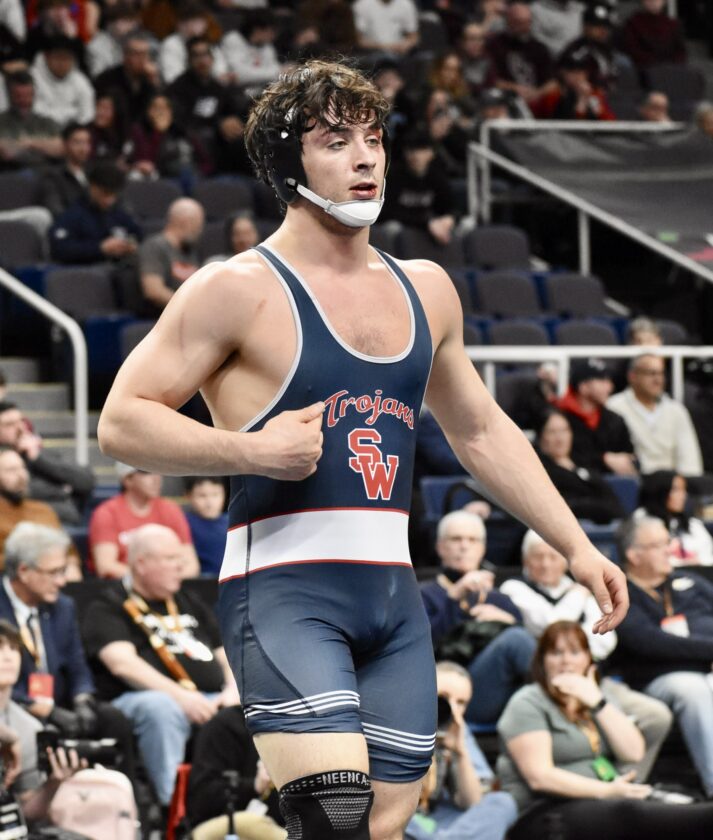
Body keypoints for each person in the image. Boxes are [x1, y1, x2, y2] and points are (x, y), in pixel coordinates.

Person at [97, 59, 628, 840]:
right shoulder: (236, 288)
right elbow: (120, 423)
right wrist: (250, 451)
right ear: (288, 166)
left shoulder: (426, 288)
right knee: (333, 815)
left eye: (373, 138)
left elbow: (480, 430)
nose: (365, 158)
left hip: (392, 599)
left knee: (384, 822)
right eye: (336, 141)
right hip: (284, 592)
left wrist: (575, 546)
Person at [497, 620, 713, 840]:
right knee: (632, 814)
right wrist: (607, 791)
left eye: (575, 652)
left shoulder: (595, 698)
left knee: (673, 803)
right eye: (556, 653)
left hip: (601, 801)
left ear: (588, 659)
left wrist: (597, 702)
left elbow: (633, 752)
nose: (566, 661)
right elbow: (540, 777)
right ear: (542, 660)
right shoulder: (528, 702)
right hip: (544, 810)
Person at [82, 524, 239, 807]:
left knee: (248, 703)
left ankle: (244, 800)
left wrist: (232, 689)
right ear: (141, 564)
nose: (180, 566)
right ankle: (174, 810)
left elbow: (224, 652)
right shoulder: (109, 604)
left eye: (180, 558)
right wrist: (181, 697)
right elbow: (123, 665)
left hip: (210, 697)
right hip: (141, 699)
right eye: (170, 559)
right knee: (161, 708)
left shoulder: (187, 601)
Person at [501, 530, 672, 781]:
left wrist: (574, 653)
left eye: (553, 556)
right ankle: (596, 784)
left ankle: (625, 783)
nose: (546, 564)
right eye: (538, 557)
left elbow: (605, 640)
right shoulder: (516, 587)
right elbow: (553, 625)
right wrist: (577, 601)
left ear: (565, 562)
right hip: (545, 683)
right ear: (526, 561)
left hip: (594, 680)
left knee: (656, 716)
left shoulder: (580, 591)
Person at [0, 523, 136, 782]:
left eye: (63, 571)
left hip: (58, 701)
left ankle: (126, 796)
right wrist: (43, 710)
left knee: (111, 719)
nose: (62, 581)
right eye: (54, 572)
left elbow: (77, 665)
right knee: (39, 727)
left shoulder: (63, 607)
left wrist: (82, 699)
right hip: (13, 705)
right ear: (24, 571)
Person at [610, 516, 713, 798]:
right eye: (658, 545)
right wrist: (707, 649)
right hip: (657, 679)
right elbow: (650, 643)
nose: (670, 550)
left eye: (668, 542)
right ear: (634, 555)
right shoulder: (621, 593)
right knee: (691, 688)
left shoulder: (690, 581)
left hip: (705, 668)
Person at [420, 511, 534, 727]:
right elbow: (422, 649)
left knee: (520, 638)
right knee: (515, 639)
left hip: (501, 691)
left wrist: (509, 622)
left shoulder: (500, 600)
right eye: (456, 539)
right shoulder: (423, 595)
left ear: (482, 549)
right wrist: (453, 598)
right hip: (447, 694)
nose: (464, 546)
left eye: (472, 540)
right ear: (440, 547)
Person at [405, 660, 517, 840]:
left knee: (503, 803)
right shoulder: (399, 721)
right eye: (443, 698)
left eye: (461, 703)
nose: (452, 708)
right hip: (403, 817)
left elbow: (473, 803)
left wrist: (460, 752)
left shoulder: (458, 730)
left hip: (441, 822)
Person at [0, 619, 86, 826]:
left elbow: (25, 813)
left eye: (13, 648)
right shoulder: (16, 733)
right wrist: (8, 736)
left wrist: (53, 784)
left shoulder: (29, 728)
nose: (8, 656)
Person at [186, 705, 284, 837]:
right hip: (219, 825)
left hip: (281, 826)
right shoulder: (226, 725)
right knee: (250, 824)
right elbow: (201, 800)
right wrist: (255, 785)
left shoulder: (301, 730)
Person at [88, 461, 198, 578]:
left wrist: (163, 579)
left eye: (158, 471)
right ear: (128, 480)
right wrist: (151, 579)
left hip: (166, 583)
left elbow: (191, 565)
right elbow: (106, 566)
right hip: (124, 586)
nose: (156, 478)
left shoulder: (171, 510)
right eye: (147, 472)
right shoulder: (107, 513)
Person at [607, 354, 705, 479]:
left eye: (661, 373)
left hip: (673, 483)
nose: (658, 380)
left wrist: (686, 484)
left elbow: (690, 459)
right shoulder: (614, 407)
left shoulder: (676, 410)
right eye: (651, 373)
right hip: (634, 480)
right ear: (632, 376)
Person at [167, 35, 250, 177]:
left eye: (205, 54)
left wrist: (233, 120)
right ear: (189, 60)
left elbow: (232, 109)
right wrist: (218, 124)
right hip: (194, 140)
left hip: (220, 139)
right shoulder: (177, 88)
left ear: (212, 58)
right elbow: (181, 122)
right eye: (196, 56)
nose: (202, 60)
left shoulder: (217, 87)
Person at [0, 402, 95, 526]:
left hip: (61, 523)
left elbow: (86, 481)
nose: (20, 428)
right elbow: (15, 494)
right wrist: (60, 490)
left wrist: (38, 458)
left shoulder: (41, 455)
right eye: (9, 424)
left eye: (21, 421)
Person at [535, 409, 626, 523]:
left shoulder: (584, 463)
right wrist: (601, 507)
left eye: (564, 430)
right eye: (552, 432)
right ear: (541, 436)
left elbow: (613, 500)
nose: (560, 438)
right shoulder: (542, 472)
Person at [0, 446, 79, 574]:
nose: (21, 475)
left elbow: (69, 552)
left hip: (53, 576)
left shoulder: (44, 510)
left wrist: (71, 567)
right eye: (11, 470)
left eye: (23, 468)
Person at [48, 160, 142, 265]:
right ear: (92, 188)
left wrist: (131, 245)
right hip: (86, 269)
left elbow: (139, 235)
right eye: (105, 193)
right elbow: (60, 249)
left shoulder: (119, 213)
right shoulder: (74, 215)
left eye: (114, 194)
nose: (109, 201)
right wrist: (99, 248)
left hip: (120, 267)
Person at [555, 358, 637, 476]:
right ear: (583, 386)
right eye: (602, 380)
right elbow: (560, 458)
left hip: (614, 483)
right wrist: (605, 459)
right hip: (572, 481)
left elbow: (630, 456)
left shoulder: (614, 419)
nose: (610, 386)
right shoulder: (560, 419)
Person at [381, 129, 456, 245]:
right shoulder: (394, 176)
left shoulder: (438, 176)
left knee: (465, 225)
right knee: (392, 227)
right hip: (404, 228)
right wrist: (427, 223)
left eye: (422, 150)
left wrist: (448, 219)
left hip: (432, 227)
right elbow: (387, 212)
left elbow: (449, 207)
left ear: (431, 153)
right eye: (411, 150)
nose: (416, 155)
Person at [137, 197, 205, 316]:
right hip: (161, 319)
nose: (199, 231)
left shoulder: (189, 250)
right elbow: (154, 291)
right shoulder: (155, 246)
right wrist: (190, 308)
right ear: (185, 221)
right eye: (198, 226)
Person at [635, 471, 713, 566]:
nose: (684, 496)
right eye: (676, 490)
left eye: (684, 490)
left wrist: (698, 560)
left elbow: (708, 553)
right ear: (660, 492)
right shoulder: (641, 522)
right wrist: (684, 562)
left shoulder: (691, 523)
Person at [486, 2, 556, 105]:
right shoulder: (495, 45)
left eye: (528, 22)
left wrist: (537, 93)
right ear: (509, 21)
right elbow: (491, 79)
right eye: (519, 22)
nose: (525, 27)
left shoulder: (539, 48)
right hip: (506, 99)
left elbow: (552, 82)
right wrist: (514, 88)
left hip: (537, 99)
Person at [0, 69, 63, 171]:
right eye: (18, 96)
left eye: (28, 95)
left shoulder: (46, 122)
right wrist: (44, 145)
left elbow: (60, 148)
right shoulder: (1, 122)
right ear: (9, 95)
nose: (24, 101)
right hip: (9, 174)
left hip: (46, 174)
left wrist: (30, 143)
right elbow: (6, 152)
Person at [94, 33, 158, 129]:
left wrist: (153, 82)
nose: (142, 59)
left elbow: (156, 111)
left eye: (145, 54)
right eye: (137, 54)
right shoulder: (107, 79)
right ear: (125, 56)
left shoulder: (149, 78)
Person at [30, 36, 94, 127]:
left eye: (67, 58)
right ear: (46, 57)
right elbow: (33, 112)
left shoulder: (81, 80)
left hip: (72, 132)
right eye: (58, 57)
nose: (62, 63)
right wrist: (72, 113)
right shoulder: (32, 78)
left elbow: (88, 115)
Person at [531, 52, 615, 120]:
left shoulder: (594, 94)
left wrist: (586, 98)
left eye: (581, 71)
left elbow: (609, 122)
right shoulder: (554, 94)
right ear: (563, 72)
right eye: (573, 71)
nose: (577, 76)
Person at [38, 121, 91, 218]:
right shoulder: (52, 177)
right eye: (78, 142)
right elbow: (56, 210)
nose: (84, 148)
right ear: (65, 145)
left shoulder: (93, 173)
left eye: (87, 142)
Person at [221, 9, 282, 93]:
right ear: (257, 30)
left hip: (261, 94)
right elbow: (239, 75)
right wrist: (275, 72)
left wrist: (276, 72)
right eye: (271, 31)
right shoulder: (233, 39)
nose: (273, 36)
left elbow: (276, 70)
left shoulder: (268, 47)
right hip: (235, 94)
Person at [621, 0, 686, 71]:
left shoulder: (673, 25)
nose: (653, 1)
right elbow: (634, 51)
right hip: (644, 70)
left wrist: (671, 66)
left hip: (671, 70)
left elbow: (680, 52)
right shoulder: (633, 23)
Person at [184, 476, 228, 577]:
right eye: (202, 496)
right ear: (188, 496)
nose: (209, 502)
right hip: (201, 579)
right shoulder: (184, 522)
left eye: (215, 495)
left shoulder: (233, 521)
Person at [353, 0, 420, 57]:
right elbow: (358, 40)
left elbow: (413, 37)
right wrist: (385, 47)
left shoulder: (406, 4)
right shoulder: (362, 5)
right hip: (371, 54)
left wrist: (406, 45)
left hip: (400, 54)